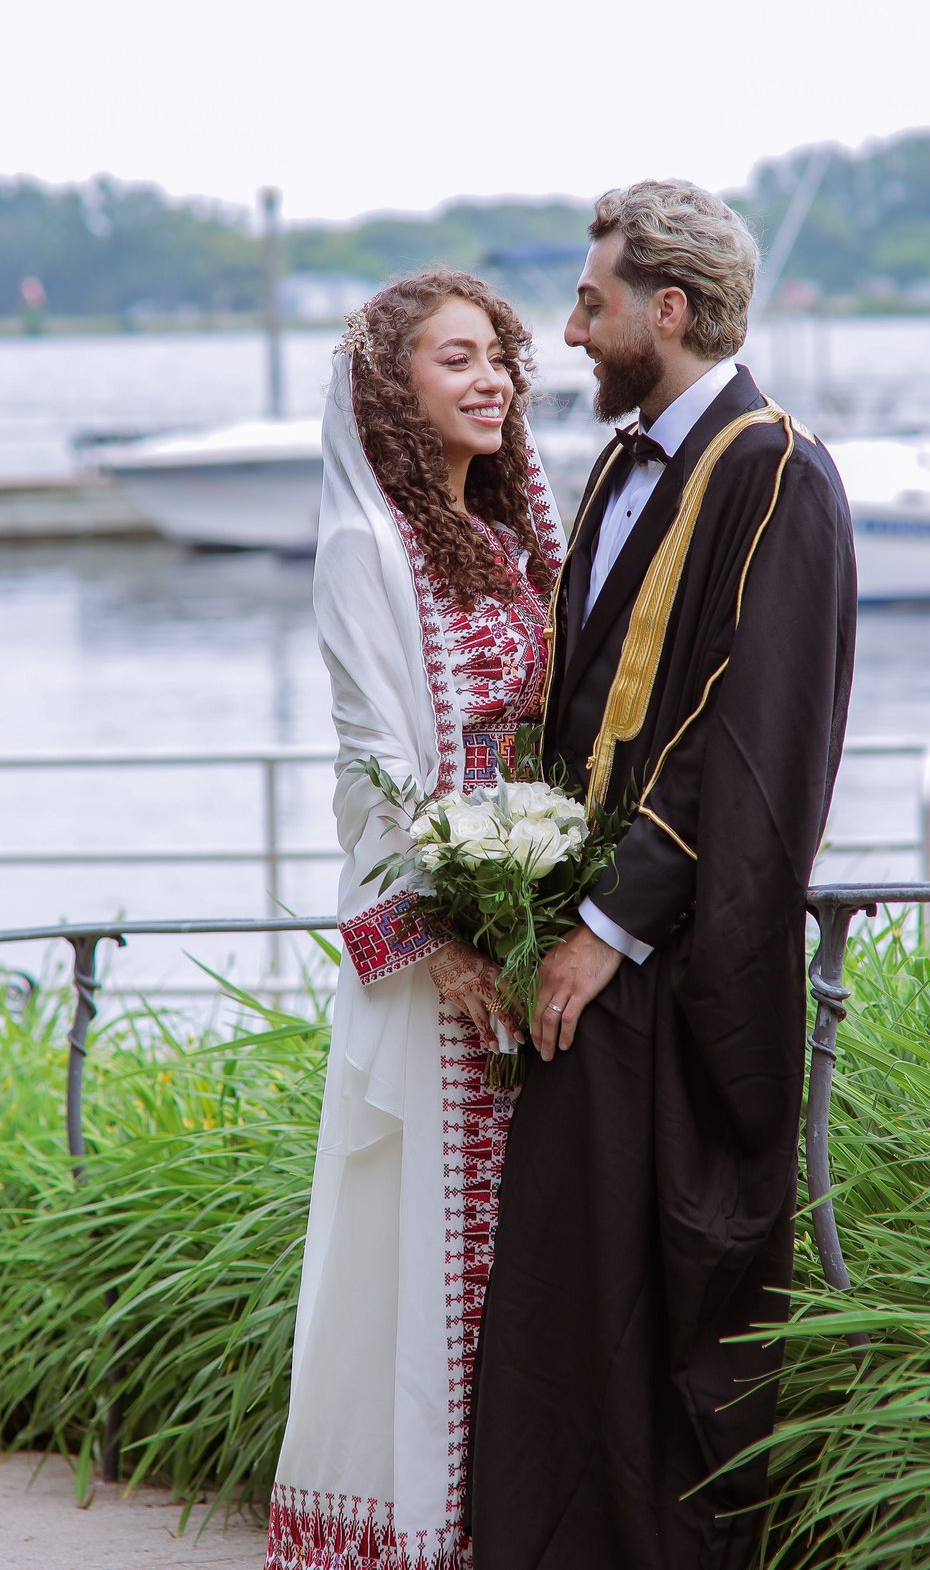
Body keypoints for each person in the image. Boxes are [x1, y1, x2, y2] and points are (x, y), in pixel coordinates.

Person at [470, 181, 859, 1570]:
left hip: (669, 967)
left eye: (590, 304)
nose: (570, 334)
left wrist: (610, 930)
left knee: (670, 1317)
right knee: (573, 1313)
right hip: (584, 955)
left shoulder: (778, 474)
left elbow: (756, 747)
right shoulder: (623, 464)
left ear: (668, 310)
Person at [267, 271, 568, 1570]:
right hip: (435, 959)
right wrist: (435, 942)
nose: (493, 376)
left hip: (532, 929)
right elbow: (371, 766)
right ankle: (419, 1537)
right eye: (458, 359)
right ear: (396, 389)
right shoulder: (367, 550)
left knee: (522, 1262)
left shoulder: (504, 545)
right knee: (429, 1255)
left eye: (500, 353)